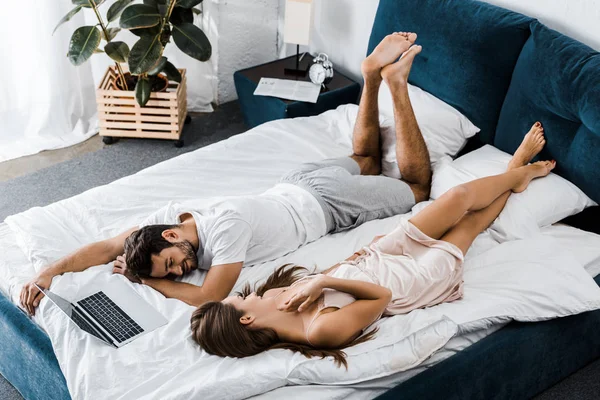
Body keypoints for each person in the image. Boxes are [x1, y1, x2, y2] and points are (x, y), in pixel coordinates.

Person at [20, 32, 432, 314]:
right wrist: (48, 272)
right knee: (366, 159)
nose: (181, 271)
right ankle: (369, 77)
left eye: (172, 264)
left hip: (328, 205)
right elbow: (109, 246)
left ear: (171, 237)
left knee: (416, 187)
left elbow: (208, 297)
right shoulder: (172, 217)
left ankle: (395, 84)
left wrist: (148, 283)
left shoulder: (225, 231)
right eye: (172, 272)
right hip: (297, 183)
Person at [190, 115, 554, 367]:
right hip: (412, 279)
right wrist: (325, 280)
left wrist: (363, 254)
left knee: (457, 197)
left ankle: (514, 175)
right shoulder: (320, 332)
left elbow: (334, 273)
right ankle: (518, 170)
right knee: (471, 224)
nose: (243, 294)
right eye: (238, 301)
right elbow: (381, 299)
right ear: (248, 319)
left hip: (378, 257)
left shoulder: (271, 299)